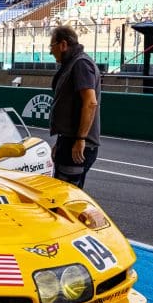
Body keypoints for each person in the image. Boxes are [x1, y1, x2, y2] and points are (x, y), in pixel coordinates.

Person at [48, 25, 101, 188]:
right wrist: (62, 141)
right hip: (69, 140)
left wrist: (80, 139)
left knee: (65, 195)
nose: (51, 52)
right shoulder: (73, 63)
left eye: (52, 46)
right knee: (63, 192)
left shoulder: (80, 64)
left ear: (63, 45)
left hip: (77, 143)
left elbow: (90, 102)